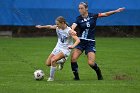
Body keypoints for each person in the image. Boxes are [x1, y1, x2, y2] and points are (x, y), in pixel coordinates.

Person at [71, 2, 125, 80]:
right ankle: (76, 77)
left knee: (91, 63)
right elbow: (73, 26)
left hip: (90, 42)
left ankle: (99, 74)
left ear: (86, 8)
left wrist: (116, 11)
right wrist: (72, 30)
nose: (80, 10)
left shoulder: (93, 16)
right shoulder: (78, 18)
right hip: (81, 42)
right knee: (73, 59)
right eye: (79, 8)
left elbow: (105, 14)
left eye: (81, 8)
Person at [36, 16, 80, 81]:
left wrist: (73, 46)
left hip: (66, 49)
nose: (56, 25)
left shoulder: (69, 31)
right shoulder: (58, 27)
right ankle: (61, 62)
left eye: (58, 24)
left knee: (53, 60)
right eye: (56, 24)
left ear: (63, 23)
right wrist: (41, 27)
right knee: (48, 63)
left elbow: (78, 40)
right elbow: (50, 26)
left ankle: (51, 78)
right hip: (58, 47)